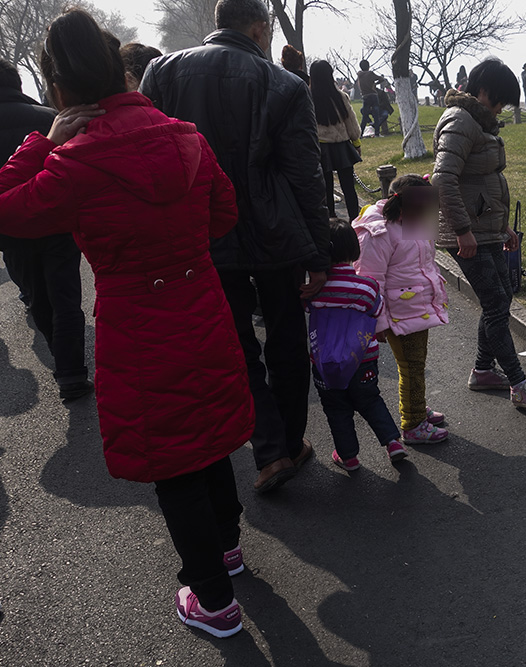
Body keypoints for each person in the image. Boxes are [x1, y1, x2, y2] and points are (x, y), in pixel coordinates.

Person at [0, 8, 255, 638]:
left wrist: (44, 141)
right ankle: (229, 552)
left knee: (173, 452)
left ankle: (211, 598)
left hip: (136, 314)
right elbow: (224, 213)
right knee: (207, 431)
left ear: (62, 84)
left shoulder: (74, 158)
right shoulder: (184, 135)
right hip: (201, 298)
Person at [141, 0, 329, 494]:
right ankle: (288, 443)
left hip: (199, 235)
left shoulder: (162, 72)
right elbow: (306, 174)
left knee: (234, 345)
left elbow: (150, 159)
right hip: (275, 234)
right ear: (260, 27)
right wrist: (319, 253)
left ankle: (268, 451)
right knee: (287, 339)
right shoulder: (284, 84)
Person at [432, 59, 526, 410]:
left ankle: (483, 371)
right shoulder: (460, 120)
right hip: (468, 233)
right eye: (499, 100)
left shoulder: (478, 121)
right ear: (483, 91)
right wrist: (463, 231)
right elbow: (443, 179)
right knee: (496, 304)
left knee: (500, 300)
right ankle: (519, 383)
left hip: (486, 229)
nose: (500, 108)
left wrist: (504, 227)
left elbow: (485, 180)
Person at [0, 58, 91, 401]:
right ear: (18, 84)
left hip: (5, 228)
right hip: (57, 224)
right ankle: (71, 372)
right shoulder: (49, 120)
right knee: (66, 297)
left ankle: (59, 354)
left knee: (37, 296)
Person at [353, 174, 450, 444]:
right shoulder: (379, 232)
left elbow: (425, 264)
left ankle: (416, 405)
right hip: (398, 312)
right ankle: (413, 423)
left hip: (415, 308)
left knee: (413, 365)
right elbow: (371, 281)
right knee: (412, 366)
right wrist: (379, 323)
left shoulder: (413, 220)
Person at [306, 219, 408, 471]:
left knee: (336, 408)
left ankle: (348, 456)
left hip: (325, 361)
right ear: (354, 249)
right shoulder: (367, 287)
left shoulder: (314, 290)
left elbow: (307, 308)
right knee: (370, 400)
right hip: (363, 358)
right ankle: (393, 442)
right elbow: (376, 311)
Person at [310, 60, 361, 220]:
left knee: (326, 189)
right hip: (341, 146)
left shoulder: (307, 97)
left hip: (320, 147)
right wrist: (356, 142)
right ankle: (355, 220)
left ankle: (331, 221)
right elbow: (351, 123)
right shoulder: (340, 96)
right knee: (348, 188)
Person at [356, 59, 389, 134]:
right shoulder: (370, 74)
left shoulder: (359, 75)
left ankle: (360, 134)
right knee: (376, 114)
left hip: (365, 96)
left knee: (364, 116)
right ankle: (377, 133)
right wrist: (375, 84)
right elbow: (382, 79)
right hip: (373, 95)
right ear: (368, 66)